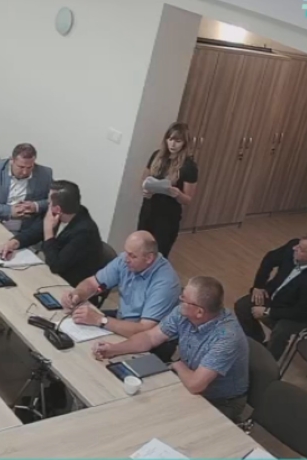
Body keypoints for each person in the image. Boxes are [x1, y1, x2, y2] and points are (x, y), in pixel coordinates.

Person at [93, 276, 249, 422]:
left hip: (220, 401)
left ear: (199, 312)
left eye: (184, 298)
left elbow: (196, 385)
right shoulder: (184, 312)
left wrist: (178, 365)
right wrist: (115, 349)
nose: (179, 300)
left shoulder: (226, 338)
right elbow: (150, 337)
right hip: (188, 381)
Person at [61, 231, 181, 362]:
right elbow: (93, 283)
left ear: (149, 258)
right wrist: (77, 294)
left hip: (150, 343)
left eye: (132, 256)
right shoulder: (126, 260)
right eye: (126, 252)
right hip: (122, 319)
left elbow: (145, 330)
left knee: (94, 359)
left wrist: (100, 320)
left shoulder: (165, 283)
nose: (126, 259)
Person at [234, 234, 307, 360]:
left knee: (281, 330)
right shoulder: (292, 247)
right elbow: (269, 259)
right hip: (279, 294)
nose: (294, 248)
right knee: (243, 306)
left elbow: (301, 311)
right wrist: (258, 286)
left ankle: (268, 361)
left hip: (299, 313)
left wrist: (267, 311)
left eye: (301, 249)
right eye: (298, 244)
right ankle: (256, 343)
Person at [0, 180, 105, 287]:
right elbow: (34, 232)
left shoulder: (84, 233)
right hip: (49, 271)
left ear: (57, 209)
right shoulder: (63, 213)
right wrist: (14, 242)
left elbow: (56, 265)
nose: (47, 205)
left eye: (49, 203)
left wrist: (48, 231)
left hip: (69, 284)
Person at [138, 122, 198, 258]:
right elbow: (144, 180)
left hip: (168, 217)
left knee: (159, 255)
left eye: (178, 141)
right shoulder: (156, 156)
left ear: (184, 143)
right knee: (141, 250)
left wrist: (177, 194)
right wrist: (145, 189)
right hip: (148, 211)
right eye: (170, 139)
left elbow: (188, 199)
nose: (173, 144)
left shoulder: (189, 166)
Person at [0, 143, 53, 234]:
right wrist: (9, 210)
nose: (25, 172)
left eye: (29, 167)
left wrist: (36, 206)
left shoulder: (45, 174)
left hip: (24, 231)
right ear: (11, 160)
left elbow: (53, 202)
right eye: (21, 167)